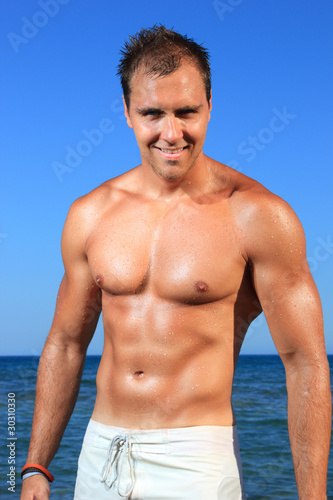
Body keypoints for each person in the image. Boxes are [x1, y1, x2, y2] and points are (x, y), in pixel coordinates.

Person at [21, 25, 331, 500]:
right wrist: (35, 467)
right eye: (152, 114)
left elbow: (304, 364)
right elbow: (65, 343)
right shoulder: (90, 215)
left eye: (187, 112)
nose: (172, 133)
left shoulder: (260, 216)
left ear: (210, 107)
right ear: (126, 113)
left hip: (196, 460)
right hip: (100, 452)